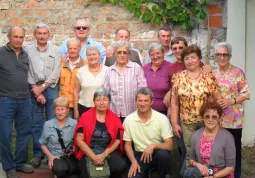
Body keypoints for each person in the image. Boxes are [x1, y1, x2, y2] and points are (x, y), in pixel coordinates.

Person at [170, 44, 221, 165]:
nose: (190, 61)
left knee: (208, 151)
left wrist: (218, 119)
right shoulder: (178, 77)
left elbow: (218, 98)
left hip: (208, 121)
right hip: (187, 123)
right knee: (190, 152)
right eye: (186, 58)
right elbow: (174, 103)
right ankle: (191, 173)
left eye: (193, 57)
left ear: (199, 59)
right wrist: (174, 123)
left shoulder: (208, 76)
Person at [25, 23, 61, 167]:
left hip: (51, 88)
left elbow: (56, 71)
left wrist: (43, 87)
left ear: (49, 35)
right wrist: (35, 88)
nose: (42, 36)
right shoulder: (27, 50)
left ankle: (52, 154)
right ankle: (38, 154)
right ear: (35, 35)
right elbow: (26, 69)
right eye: (39, 33)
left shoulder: (56, 50)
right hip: (33, 87)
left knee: (53, 121)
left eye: (45, 33)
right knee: (36, 122)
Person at [0, 26, 34, 178]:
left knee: (25, 132)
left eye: (21, 37)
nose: (18, 40)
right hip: (6, 100)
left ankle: (19, 163)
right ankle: (9, 167)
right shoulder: (1, 53)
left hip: (25, 99)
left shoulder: (26, 55)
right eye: (16, 37)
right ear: (9, 37)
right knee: (5, 135)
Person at [213, 42, 250, 178]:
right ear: (214, 56)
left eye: (225, 54)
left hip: (234, 120)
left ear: (230, 56)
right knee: (218, 151)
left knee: (234, 151)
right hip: (216, 120)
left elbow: (246, 93)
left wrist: (231, 100)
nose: (222, 57)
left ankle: (236, 175)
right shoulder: (212, 74)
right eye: (219, 54)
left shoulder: (238, 72)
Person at [74, 88, 127, 178]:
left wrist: (104, 155)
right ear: (94, 101)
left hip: (107, 151)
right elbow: (79, 140)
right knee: (89, 174)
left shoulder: (114, 118)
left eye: (105, 99)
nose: (101, 103)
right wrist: (94, 157)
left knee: (121, 166)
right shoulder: (85, 117)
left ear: (109, 102)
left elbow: (117, 141)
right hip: (88, 151)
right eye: (98, 100)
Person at [123, 87, 174, 178]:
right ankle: (145, 173)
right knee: (134, 176)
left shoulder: (161, 118)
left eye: (146, 101)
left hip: (157, 154)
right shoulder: (129, 120)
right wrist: (133, 162)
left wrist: (153, 146)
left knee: (164, 155)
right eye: (140, 101)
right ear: (136, 101)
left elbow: (170, 145)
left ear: (152, 101)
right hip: (140, 155)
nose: (143, 104)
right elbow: (127, 144)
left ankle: (161, 174)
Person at [184, 101, 235, 178]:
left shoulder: (227, 137)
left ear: (220, 118)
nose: (210, 120)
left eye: (214, 117)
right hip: (202, 173)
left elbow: (231, 167)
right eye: (207, 116)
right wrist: (199, 165)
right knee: (189, 173)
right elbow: (191, 159)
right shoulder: (196, 135)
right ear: (202, 118)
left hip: (221, 175)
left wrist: (213, 177)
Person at [103, 41, 147, 122]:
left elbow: (142, 91)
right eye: (119, 52)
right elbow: (106, 93)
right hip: (114, 114)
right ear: (115, 54)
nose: (122, 55)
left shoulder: (136, 68)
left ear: (129, 54)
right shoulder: (109, 71)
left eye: (125, 52)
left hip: (133, 114)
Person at [39, 96, 79, 178]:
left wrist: (75, 147)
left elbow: (78, 140)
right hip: (55, 156)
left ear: (67, 110)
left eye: (62, 109)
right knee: (61, 169)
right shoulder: (48, 124)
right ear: (54, 110)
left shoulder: (74, 123)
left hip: (70, 156)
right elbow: (42, 144)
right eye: (57, 109)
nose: (60, 112)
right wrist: (50, 157)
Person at [73, 46, 108, 119]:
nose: (92, 57)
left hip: (102, 108)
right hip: (84, 107)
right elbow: (76, 92)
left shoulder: (107, 71)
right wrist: (76, 110)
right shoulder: (81, 71)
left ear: (99, 55)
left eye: (94, 54)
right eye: (89, 55)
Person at [59, 39, 88, 117]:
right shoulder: (60, 64)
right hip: (64, 104)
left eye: (74, 48)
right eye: (70, 48)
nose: (72, 51)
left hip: (80, 104)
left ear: (80, 48)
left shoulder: (86, 65)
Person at [142, 42, 171, 115]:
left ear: (163, 53)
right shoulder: (144, 69)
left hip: (165, 110)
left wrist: (170, 92)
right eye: (152, 54)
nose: (155, 56)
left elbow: (176, 86)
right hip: (146, 110)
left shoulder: (170, 67)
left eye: (158, 53)